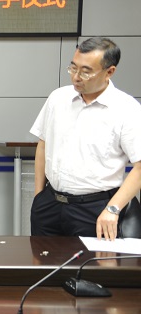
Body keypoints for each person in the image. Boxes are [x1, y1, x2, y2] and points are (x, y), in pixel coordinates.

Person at [30, 37, 141, 241]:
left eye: (86, 71)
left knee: (93, 263)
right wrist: (39, 196)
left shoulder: (127, 109)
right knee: (43, 259)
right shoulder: (58, 99)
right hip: (50, 204)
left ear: (109, 72)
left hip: (96, 209)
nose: (76, 77)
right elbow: (43, 144)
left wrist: (113, 209)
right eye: (73, 68)